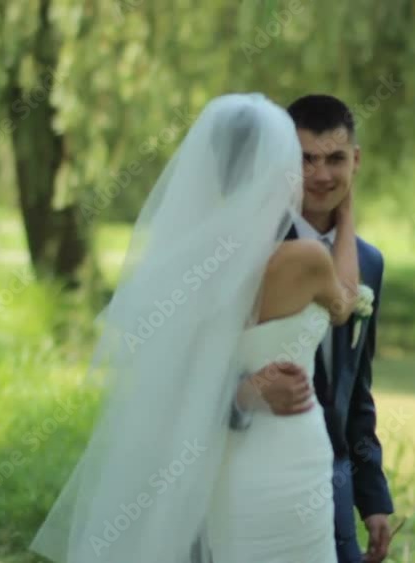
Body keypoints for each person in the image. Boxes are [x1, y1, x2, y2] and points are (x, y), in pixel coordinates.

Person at [29, 93, 357, 563]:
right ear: (282, 166)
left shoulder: (183, 264)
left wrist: (242, 393)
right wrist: (347, 218)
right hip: (289, 458)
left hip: (218, 467)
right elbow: (345, 302)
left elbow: (164, 379)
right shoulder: (306, 260)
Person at [227, 94, 395, 563]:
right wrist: (247, 392)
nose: (322, 175)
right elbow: (186, 372)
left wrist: (373, 498)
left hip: (333, 479)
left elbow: (357, 389)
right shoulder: (245, 251)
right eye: (306, 159)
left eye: (336, 159)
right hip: (248, 470)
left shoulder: (369, 262)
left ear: (355, 160)